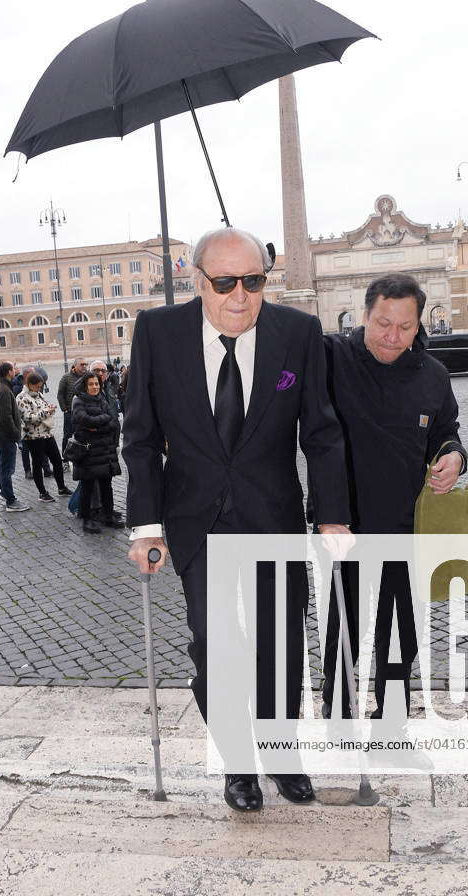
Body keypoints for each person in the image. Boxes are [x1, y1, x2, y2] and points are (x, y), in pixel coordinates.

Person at [123, 227, 350, 813]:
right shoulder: (157, 333)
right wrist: (145, 525)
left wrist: (331, 518)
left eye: (253, 281)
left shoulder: (297, 334)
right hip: (197, 521)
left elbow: (321, 434)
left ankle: (280, 753)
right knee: (216, 647)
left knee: (280, 645)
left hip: (271, 516)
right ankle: (237, 764)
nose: (241, 295)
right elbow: (142, 438)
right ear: (197, 281)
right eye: (225, 282)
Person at [318, 273, 466, 752]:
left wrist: (452, 455)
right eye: (383, 323)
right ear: (364, 315)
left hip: (409, 524)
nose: (392, 336)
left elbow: (447, 429)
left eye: (405, 327)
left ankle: (392, 727)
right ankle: (339, 723)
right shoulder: (330, 358)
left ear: (418, 322)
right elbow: (281, 387)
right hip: (346, 522)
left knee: (402, 630)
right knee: (344, 626)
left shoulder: (432, 374)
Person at [71, 371, 124, 533]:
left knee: (106, 486)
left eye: (96, 384)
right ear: (84, 386)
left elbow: (113, 422)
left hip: (104, 451)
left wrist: (97, 426)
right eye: (91, 384)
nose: (95, 387)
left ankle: (108, 516)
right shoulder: (78, 401)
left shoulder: (101, 400)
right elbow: (83, 421)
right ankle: (87, 520)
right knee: (87, 487)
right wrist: (103, 422)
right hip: (89, 452)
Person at [16, 372, 73, 502]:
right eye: (37, 386)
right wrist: (46, 412)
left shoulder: (39, 394)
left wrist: (49, 408)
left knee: (57, 461)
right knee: (37, 464)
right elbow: (29, 418)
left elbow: (43, 408)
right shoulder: (22, 398)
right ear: (29, 384)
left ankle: (61, 487)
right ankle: (42, 493)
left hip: (47, 433)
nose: (39, 389)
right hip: (33, 437)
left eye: (40, 386)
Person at [0, 361, 30, 512]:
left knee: (1, 465)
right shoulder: (4, 390)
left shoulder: (0, 385)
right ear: (9, 372)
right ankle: (11, 501)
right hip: (4, 435)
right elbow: (6, 417)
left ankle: (4, 493)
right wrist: (15, 435)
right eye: (13, 369)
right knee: (7, 469)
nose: (15, 371)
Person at [57, 357, 89, 457]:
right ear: (75, 366)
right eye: (82, 364)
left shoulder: (88, 376)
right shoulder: (66, 377)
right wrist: (65, 409)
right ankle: (65, 459)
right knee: (67, 435)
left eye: (85, 364)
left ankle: (83, 455)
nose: (84, 366)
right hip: (70, 412)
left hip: (85, 411)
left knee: (84, 434)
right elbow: (60, 394)